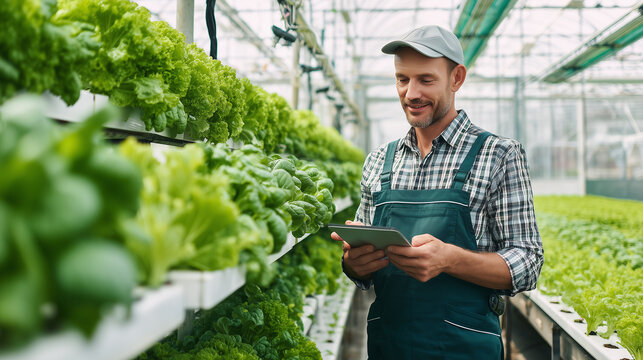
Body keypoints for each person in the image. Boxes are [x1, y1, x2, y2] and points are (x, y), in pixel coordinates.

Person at [331, 25, 544, 359]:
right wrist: (354, 263)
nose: (411, 93)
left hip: (465, 348)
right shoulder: (378, 161)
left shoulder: (499, 155)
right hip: (389, 346)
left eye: (425, 80)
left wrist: (450, 259)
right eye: (402, 79)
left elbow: (528, 261)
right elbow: (361, 272)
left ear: (456, 78)